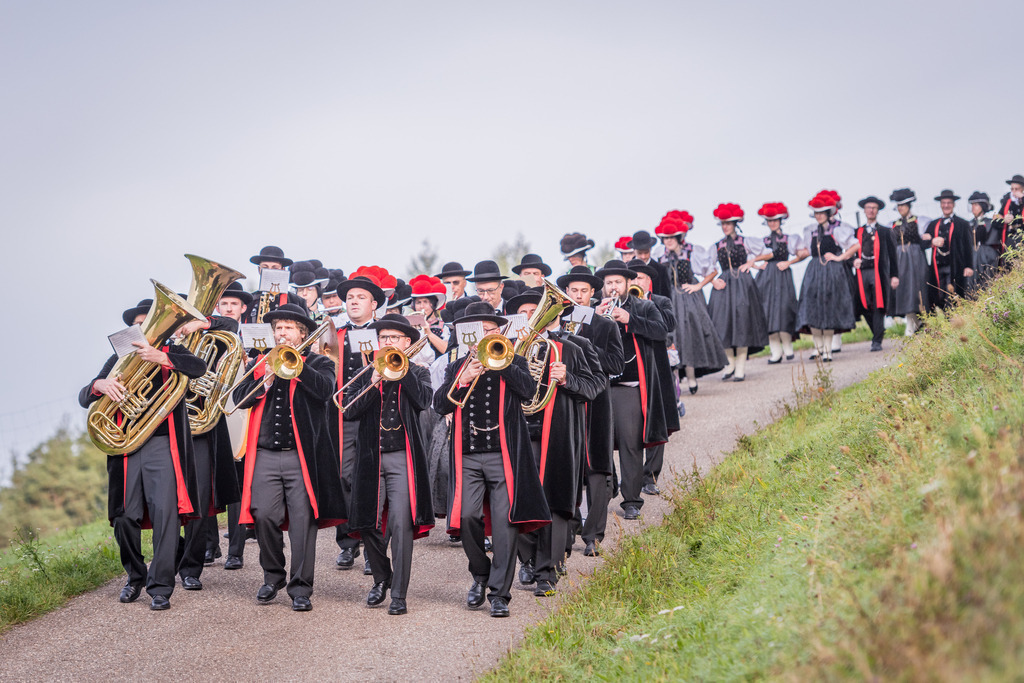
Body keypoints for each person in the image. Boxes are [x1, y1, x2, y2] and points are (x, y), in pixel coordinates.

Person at [79, 299, 205, 611]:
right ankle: (135, 576)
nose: (143, 331)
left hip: (162, 444)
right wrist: (101, 385)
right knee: (123, 517)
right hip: (126, 447)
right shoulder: (119, 358)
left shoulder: (173, 352)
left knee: (166, 514)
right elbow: (84, 396)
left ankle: (161, 586)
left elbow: (199, 369)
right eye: (139, 325)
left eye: (149, 324)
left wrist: (162, 356)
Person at [434, 302, 551, 618]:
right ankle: (480, 574)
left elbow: (528, 392)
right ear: (467, 334)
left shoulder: (515, 360)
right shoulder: (457, 365)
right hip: (469, 456)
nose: (486, 336)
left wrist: (503, 364)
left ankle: (500, 593)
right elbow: (439, 405)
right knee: (468, 517)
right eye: (479, 331)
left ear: (500, 332)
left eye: (491, 330)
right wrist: (462, 379)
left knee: (504, 524)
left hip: (504, 456)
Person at [232, 303, 345, 611]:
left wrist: (296, 367)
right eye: (278, 328)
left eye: (288, 328)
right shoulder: (259, 363)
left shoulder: (320, 362)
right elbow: (237, 399)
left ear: (302, 333)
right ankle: (273, 575)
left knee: (302, 522)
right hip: (266, 455)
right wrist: (265, 379)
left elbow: (325, 390)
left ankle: (301, 588)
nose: (281, 333)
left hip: (302, 457)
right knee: (264, 516)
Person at [507, 288, 601, 597]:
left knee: (553, 501)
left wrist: (567, 378)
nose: (531, 318)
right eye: (525, 313)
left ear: (554, 313)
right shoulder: (507, 347)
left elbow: (595, 386)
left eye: (537, 310)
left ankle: (547, 571)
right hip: (519, 432)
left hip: (557, 433)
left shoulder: (575, 346)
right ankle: (528, 560)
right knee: (515, 498)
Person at [344, 314, 435, 616]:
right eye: (384, 338)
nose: (388, 343)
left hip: (402, 457)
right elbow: (349, 412)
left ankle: (399, 595)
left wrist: (401, 369)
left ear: (407, 343)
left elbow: (423, 402)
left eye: (394, 338)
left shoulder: (420, 372)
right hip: (370, 457)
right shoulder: (365, 372)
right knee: (367, 523)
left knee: (400, 522)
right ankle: (383, 577)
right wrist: (372, 382)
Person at [173, 306, 243, 588]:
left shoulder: (209, 335)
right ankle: (173, 557)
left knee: (200, 499)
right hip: (165, 428)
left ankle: (191, 569)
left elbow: (232, 325)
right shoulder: (156, 343)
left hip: (201, 428)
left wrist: (201, 324)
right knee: (165, 503)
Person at [594, 260, 670, 521]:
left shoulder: (645, 306)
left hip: (630, 387)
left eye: (618, 282)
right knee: (600, 445)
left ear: (628, 284)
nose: (613, 287)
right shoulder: (595, 308)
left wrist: (629, 319)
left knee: (630, 445)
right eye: (609, 283)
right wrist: (596, 317)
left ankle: (632, 500)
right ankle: (606, 491)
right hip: (600, 388)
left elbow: (662, 331)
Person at [556, 266, 623, 557]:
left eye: (584, 291)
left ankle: (593, 535)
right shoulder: (558, 324)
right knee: (569, 467)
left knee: (598, 468)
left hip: (597, 403)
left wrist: (586, 349)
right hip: (568, 402)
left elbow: (617, 365)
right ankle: (568, 530)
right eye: (574, 291)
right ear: (567, 293)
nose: (579, 295)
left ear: (593, 293)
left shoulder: (606, 325)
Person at [333, 272, 388, 570]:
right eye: (350, 298)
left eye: (361, 297)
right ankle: (347, 543)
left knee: (370, 478)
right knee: (344, 476)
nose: (354, 302)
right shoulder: (335, 334)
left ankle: (372, 547)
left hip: (376, 415)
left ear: (374, 304)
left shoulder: (384, 333)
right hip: (343, 414)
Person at [655, 212, 727, 393]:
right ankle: (674, 383)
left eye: (672, 237)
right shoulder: (659, 255)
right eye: (665, 238)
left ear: (679, 237)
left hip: (687, 299)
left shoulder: (692, 252)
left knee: (687, 337)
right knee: (671, 339)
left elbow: (711, 271)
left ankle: (692, 377)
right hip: (667, 299)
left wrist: (699, 286)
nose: (669, 241)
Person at [626, 259, 679, 496]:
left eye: (641, 278)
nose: (636, 281)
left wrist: (647, 303)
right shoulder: (621, 305)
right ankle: (632, 476)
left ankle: (651, 476)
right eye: (633, 278)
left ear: (649, 281)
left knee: (659, 421)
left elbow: (668, 325)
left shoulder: (661, 301)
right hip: (633, 369)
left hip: (656, 368)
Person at [213, 281, 253, 571]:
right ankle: (209, 545)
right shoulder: (210, 338)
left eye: (233, 304)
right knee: (209, 479)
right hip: (213, 410)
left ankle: (235, 551)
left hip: (243, 411)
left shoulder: (254, 336)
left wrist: (251, 363)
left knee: (239, 482)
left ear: (244, 308)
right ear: (218, 307)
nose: (228, 308)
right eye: (224, 304)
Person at [707, 203, 770, 380]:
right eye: (723, 224)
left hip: (743, 285)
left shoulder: (745, 241)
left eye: (728, 223)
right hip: (724, 286)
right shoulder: (716, 246)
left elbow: (768, 253)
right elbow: (707, 267)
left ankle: (741, 367)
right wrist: (712, 280)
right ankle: (731, 364)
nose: (725, 227)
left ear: (735, 224)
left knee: (743, 324)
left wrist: (751, 262)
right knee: (722, 324)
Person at [796, 192, 858, 361]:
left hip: (832, 271)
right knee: (813, 309)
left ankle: (829, 350)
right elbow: (807, 250)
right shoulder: (809, 231)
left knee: (829, 309)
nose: (819, 216)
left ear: (829, 213)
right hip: (814, 270)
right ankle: (819, 348)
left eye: (822, 212)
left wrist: (839, 257)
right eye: (817, 213)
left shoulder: (838, 230)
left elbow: (854, 245)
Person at [752, 203, 804, 363]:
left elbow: (803, 253)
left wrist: (790, 262)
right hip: (766, 278)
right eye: (769, 221)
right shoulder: (763, 241)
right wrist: (757, 265)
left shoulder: (789, 239)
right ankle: (775, 352)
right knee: (767, 312)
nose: (772, 223)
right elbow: (750, 258)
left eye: (775, 220)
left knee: (784, 310)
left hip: (782, 277)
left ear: (781, 221)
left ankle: (788, 347)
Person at [853, 197, 900, 352]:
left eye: (874, 207)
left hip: (878, 273)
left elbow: (893, 254)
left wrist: (894, 275)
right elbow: (850, 251)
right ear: (864, 210)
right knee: (864, 305)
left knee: (879, 305)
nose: (871, 210)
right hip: (862, 273)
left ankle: (877, 340)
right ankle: (878, 331)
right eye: (868, 207)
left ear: (877, 210)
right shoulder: (857, 232)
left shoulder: (885, 231)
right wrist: (853, 260)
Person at [888, 188, 931, 336]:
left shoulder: (920, 221)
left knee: (917, 287)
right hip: (900, 259)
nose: (901, 209)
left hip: (916, 258)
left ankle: (922, 320)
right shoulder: (893, 224)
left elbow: (925, 238)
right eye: (898, 206)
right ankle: (910, 321)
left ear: (909, 206)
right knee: (904, 289)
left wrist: (926, 238)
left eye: (903, 206)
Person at [924, 190, 974, 311]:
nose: (946, 205)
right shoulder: (933, 224)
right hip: (937, 266)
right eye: (944, 203)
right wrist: (932, 241)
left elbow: (968, 246)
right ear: (940, 204)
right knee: (938, 295)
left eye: (949, 203)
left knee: (953, 295)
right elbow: (923, 243)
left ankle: (953, 321)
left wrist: (969, 266)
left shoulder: (962, 223)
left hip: (955, 266)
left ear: (953, 204)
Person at [245, 246, 294, 324]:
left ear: (283, 270)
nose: (270, 272)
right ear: (259, 270)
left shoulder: (296, 301)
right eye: (265, 267)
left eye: (275, 268)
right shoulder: (249, 300)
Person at [626, 230, 671, 297]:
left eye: (646, 252)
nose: (643, 256)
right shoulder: (625, 268)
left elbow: (666, 295)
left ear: (651, 250)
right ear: (634, 251)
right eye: (640, 253)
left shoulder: (661, 269)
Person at [969, 191, 999, 289]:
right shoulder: (969, 224)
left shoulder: (992, 222)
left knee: (988, 283)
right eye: (972, 204)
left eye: (976, 204)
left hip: (988, 257)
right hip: (973, 257)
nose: (973, 207)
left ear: (983, 206)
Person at [993, 174, 1024, 265]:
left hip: (1022, 238)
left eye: (1016, 189)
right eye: (1012, 189)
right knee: (1008, 264)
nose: (1014, 192)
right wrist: (1004, 220)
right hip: (1010, 238)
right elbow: (995, 221)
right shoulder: (1007, 202)